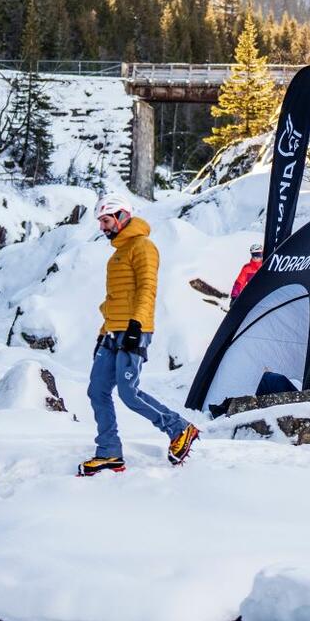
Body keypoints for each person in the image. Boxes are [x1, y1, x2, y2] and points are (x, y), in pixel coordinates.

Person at [78, 195, 200, 477]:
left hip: (134, 330)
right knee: (97, 390)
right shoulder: (117, 253)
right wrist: (101, 333)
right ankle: (108, 452)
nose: (102, 227)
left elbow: (148, 289)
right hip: (112, 332)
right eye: (101, 222)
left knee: (128, 393)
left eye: (106, 221)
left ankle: (179, 428)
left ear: (122, 217)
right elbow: (112, 299)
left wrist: (137, 326)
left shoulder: (143, 247)